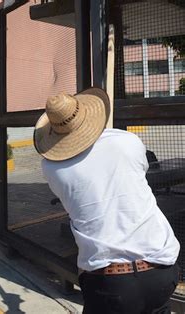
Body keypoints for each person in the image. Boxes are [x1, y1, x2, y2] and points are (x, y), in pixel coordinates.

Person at [34, 89, 180, 314]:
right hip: (161, 272)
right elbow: (140, 168)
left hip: (109, 283)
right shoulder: (128, 141)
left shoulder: (51, 168)